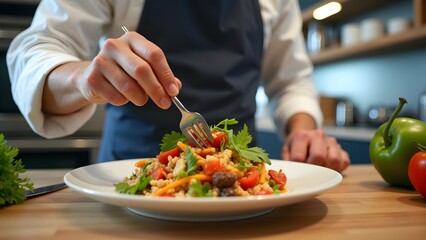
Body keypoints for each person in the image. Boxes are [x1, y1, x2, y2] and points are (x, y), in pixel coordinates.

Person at [7, 0, 350, 172]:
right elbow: (36, 49)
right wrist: (83, 79)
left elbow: (291, 80)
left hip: (243, 176)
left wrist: (303, 132)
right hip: (130, 175)